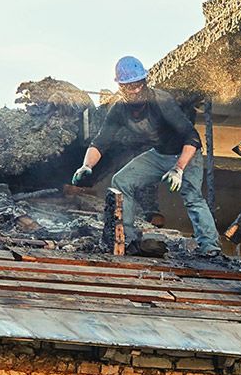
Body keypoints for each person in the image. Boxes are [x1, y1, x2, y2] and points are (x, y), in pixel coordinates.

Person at [70, 56, 222, 257]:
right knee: (121, 181)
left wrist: (178, 168)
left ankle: (210, 248)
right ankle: (128, 239)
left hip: (186, 154)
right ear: (121, 87)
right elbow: (100, 142)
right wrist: (87, 166)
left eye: (138, 85)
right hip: (159, 154)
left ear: (145, 82)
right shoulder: (118, 110)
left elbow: (191, 137)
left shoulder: (161, 101)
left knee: (192, 197)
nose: (134, 91)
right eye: (129, 86)